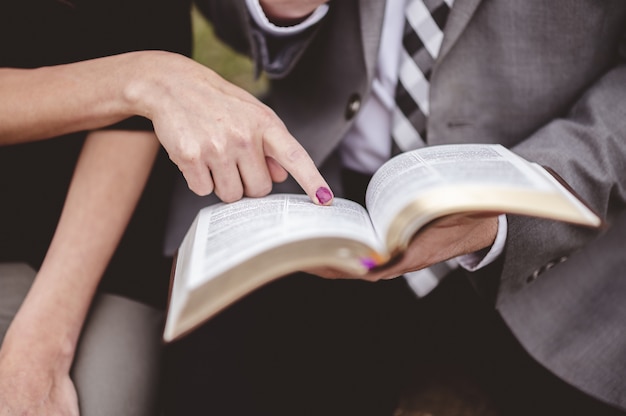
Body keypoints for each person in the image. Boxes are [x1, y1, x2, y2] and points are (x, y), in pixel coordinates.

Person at [162, 1, 626, 415]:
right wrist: (280, 8)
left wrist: (516, 210)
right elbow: (225, 17)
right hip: (324, 187)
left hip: (549, 223)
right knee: (212, 383)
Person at [0, 0, 331, 414]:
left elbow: (134, 117)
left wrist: (44, 344)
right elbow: (143, 89)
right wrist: (140, 79)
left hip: (103, 215)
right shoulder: (145, 79)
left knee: (102, 398)